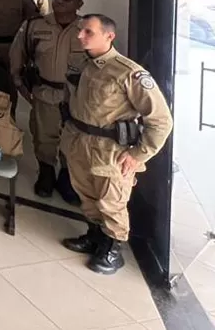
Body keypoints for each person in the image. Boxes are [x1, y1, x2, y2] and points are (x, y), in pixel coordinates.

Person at [60, 14, 173, 274]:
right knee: (86, 195)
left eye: (88, 32)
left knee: (111, 201)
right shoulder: (81, 63)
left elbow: (161, 120)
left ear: (109, 36)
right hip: (80, 142)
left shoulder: (128, 72)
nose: (80, 36)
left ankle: (113, 248)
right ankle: (95, 236)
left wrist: (139, 154)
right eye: (81, 31)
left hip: (110, 151)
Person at [8, 0, 85, 203]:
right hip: (45, 90)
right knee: (44, 135)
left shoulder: (86, 28)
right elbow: (18, 53)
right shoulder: (35, 25)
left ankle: (67, 177)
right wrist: (18, 80)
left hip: (76, 96)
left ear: (79, 4)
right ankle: (46, 172)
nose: (60, 1)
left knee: (73, 139)